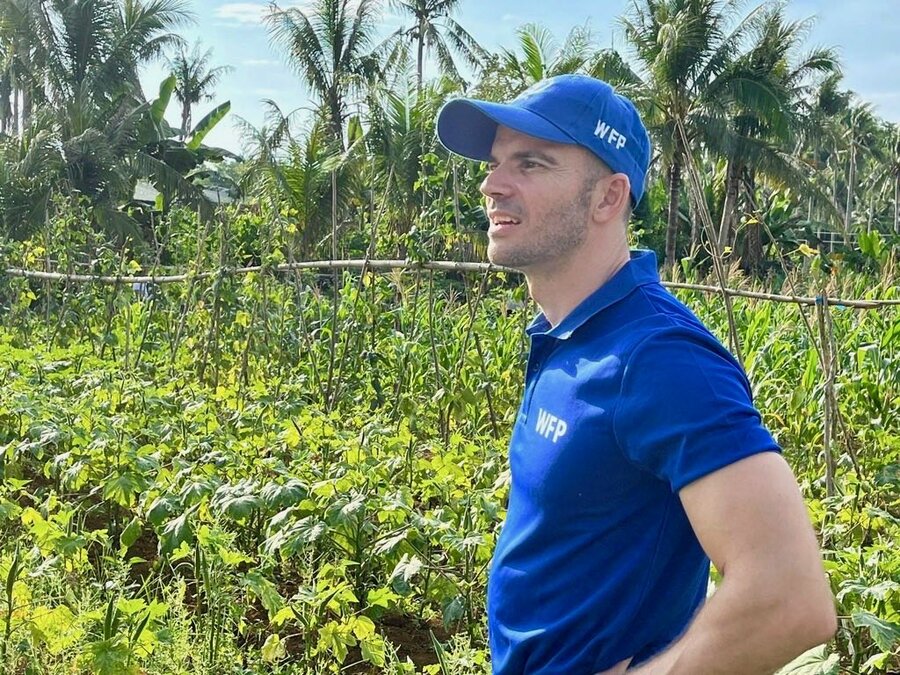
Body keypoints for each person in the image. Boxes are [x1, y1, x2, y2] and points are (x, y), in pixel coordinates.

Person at [435, 74, 837, 675]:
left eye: (532, 163)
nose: (493, 185)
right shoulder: (572, 333)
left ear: (608, 197)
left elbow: (791, 597)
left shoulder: (660, 357)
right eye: (495, 163)